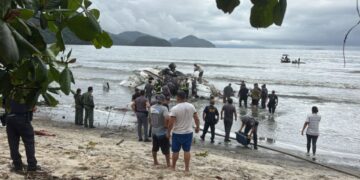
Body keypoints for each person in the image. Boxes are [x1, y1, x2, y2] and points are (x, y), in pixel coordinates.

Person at [3, 97, 39, 172]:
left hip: (10, 118)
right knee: (29, 143)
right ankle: (32, 166)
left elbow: (4, 104)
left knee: (13, 144)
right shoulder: (26, 89)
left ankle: (17, 165)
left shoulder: (7, 89)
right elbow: (32, 107)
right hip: (23, 118)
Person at [167, 90, 200, 172]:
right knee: (187, 151)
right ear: (185, 97)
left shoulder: (175, 108)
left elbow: (171, 123)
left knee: (175, 151)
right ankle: (186, 169)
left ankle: (173, 167)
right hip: (188, 132)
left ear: (177, 97)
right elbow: (196, 118)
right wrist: (197, 127)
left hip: (177, 133)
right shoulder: (191, 106)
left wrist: (168, 132)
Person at [149, 94, 170, 167]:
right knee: (166, 149)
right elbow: (167, 118)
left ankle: (155, 161)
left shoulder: (152, 107)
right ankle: (168, 164)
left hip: (154, 131)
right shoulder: (164, 108)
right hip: (162, 132)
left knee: (154, 147)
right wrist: (166, 127)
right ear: (163, 100)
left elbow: (150, 119)